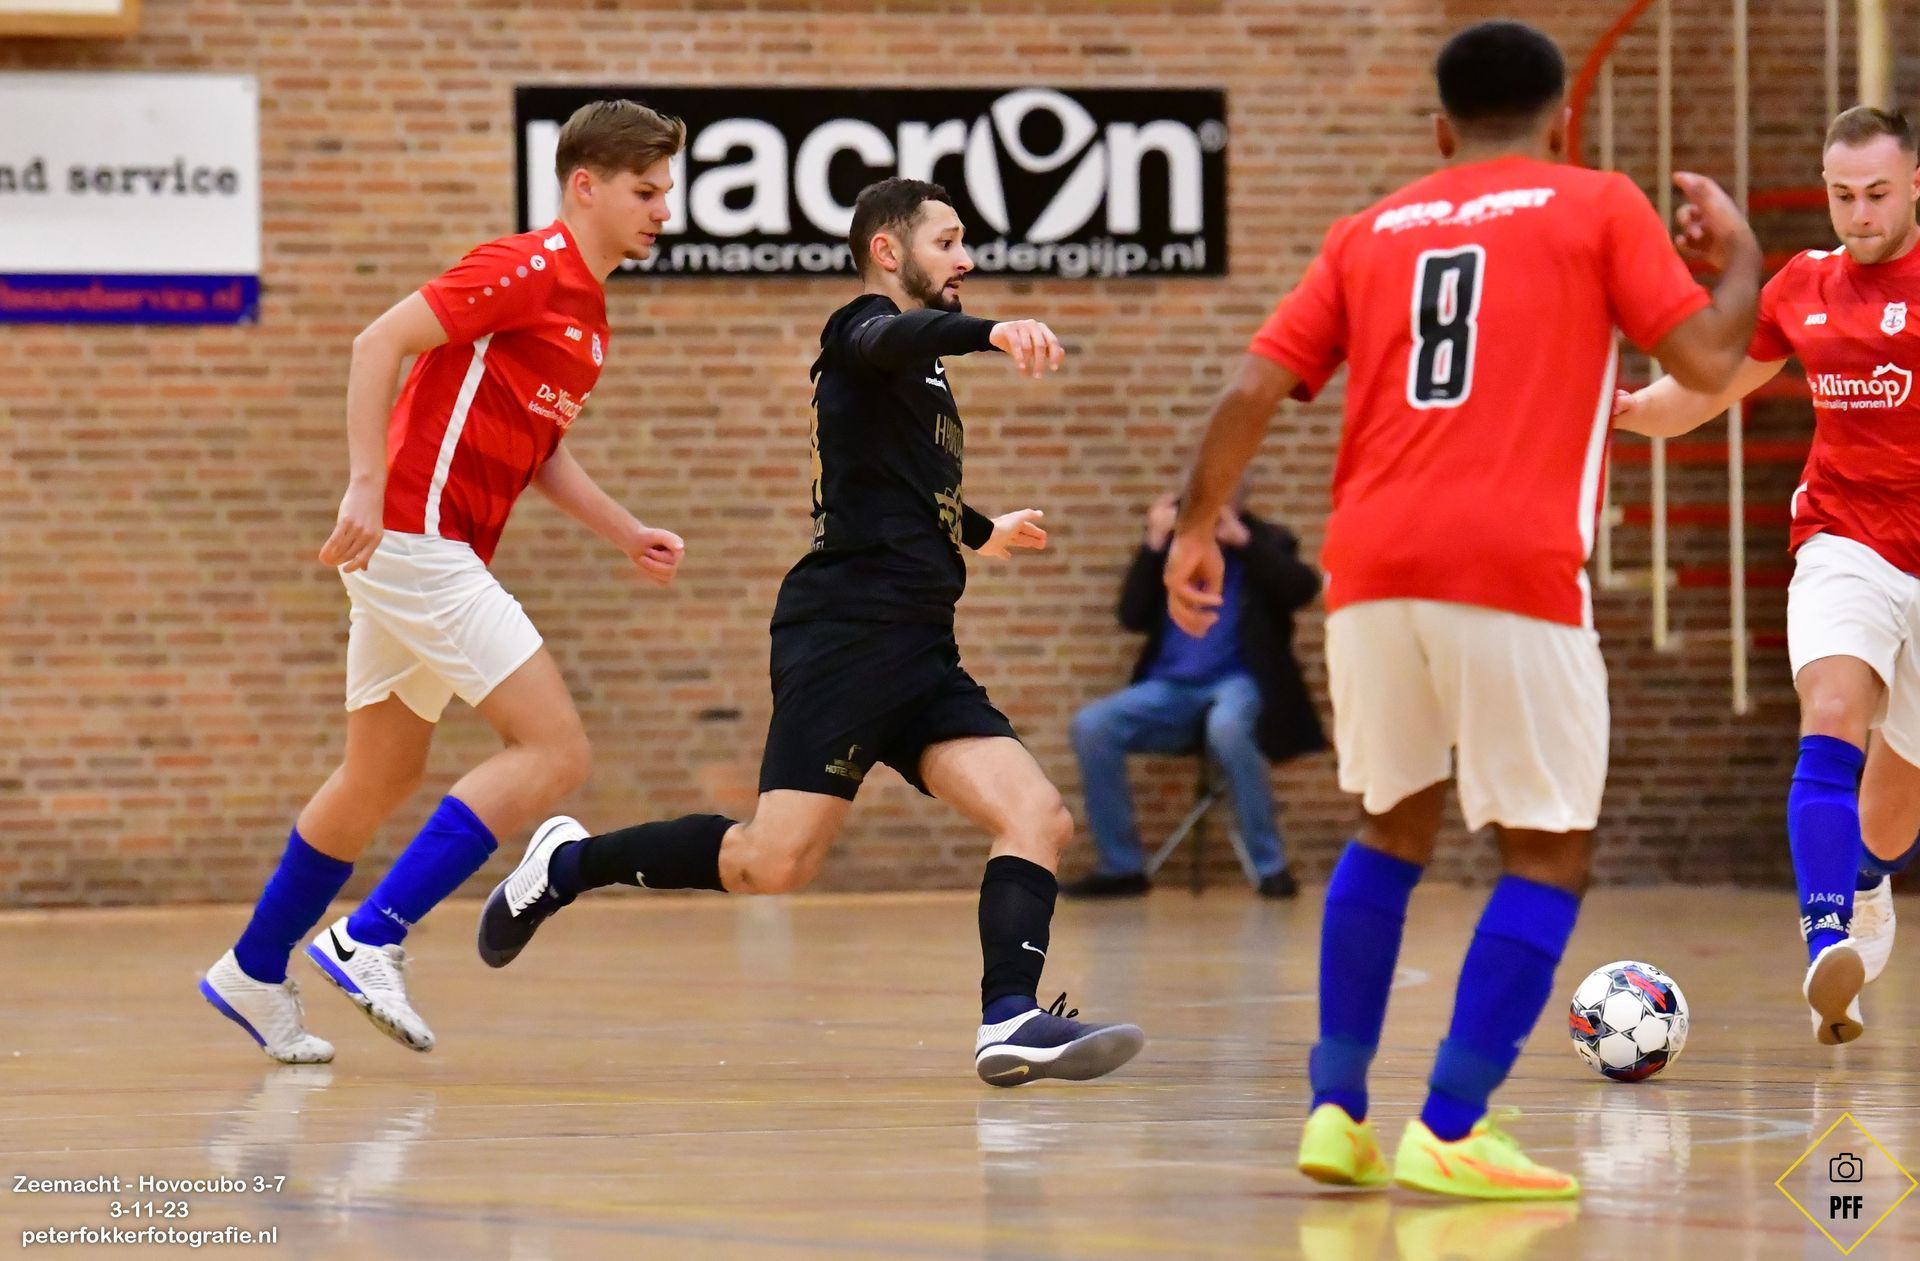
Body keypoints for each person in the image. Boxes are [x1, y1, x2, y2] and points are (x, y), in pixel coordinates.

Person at [1164, 20, 1760, 1199]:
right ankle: (1451, 1123)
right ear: (1562, 123)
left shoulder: (1369, 229)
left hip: (1370, 567)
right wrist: (1740, 259)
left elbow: (1252, 385)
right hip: (1512, 567)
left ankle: (1337, 1111)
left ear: (1441, 130)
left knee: (1391, 827)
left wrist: (1194, 527)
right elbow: (1703, 362)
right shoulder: (1597, 203)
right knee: (1547, 847)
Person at [476, 177, 1145, 1087]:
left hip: (921, 646)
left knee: (1037, 815)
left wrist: (982, 530)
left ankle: (1010, 1018)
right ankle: (568, 863)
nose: (966, 259)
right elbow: (891, 336)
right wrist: (993, 332)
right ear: (887, 251)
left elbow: (903, 482)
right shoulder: (864, 330)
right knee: (772, 862)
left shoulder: (919, 374)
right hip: (844, 637)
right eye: (947, 241)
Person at [198, 100, 690, 1063]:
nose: (662, 210)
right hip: (415, 537)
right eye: (645, 191)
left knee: (379, 773)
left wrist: (626, 532)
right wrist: (364, 485)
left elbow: (541, 454)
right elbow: (375, 343)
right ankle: (369, 934)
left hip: (429, 548)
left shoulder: (590, 318)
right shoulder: (523, 267)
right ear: (584, 186)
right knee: (554, 748)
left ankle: (254, 967)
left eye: (665, 191)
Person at [1614, 105, 1920, 1046]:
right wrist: (1626, 410)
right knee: (1830, 709)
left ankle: (1866, 880)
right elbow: (1705, 390)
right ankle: (1826, 936)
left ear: (1914, 185)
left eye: (1877, 194)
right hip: (1843, 538)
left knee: (1892, 814)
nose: (1859, 214)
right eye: (1842, 195)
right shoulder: (1803, 286)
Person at [1064, 488, 1324, 899]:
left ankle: (1270, 866)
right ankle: (1121, 867)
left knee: (1227, 727)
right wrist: (1154, 542)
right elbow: (1131, 615)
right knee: (1092, 726)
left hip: (1237, 682)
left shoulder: (1267, 540)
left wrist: (1245, 544)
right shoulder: (1170, 547)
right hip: (1169, 688)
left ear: (1241, 500)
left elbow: (1302, 590)